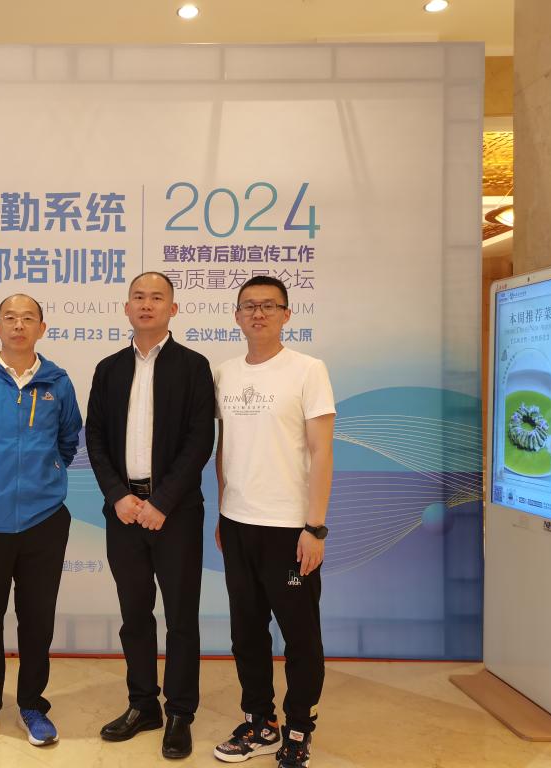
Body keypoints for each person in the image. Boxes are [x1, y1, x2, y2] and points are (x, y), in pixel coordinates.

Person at [86, 271, 215, 760]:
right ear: (126, 308)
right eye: (138, 297)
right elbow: (95, 438)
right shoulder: (109, 369)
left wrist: (162, 501)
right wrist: (118, 495)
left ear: (172, 308)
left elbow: (200, 441)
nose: (146, 304)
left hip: (175, 513)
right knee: (134, 614)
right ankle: (143, 704)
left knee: (181, 617)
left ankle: (180, 711)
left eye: (157, 297)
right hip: (123, 512)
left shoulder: (194, 366)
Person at [0, 293, 83, 749]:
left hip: (45, 520)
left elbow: (68, 441)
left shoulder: (58, 382)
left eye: (28, 319)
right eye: (10, 318)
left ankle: (32, 705)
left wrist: (47, 474)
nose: (19, 325)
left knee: (37, 620)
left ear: (42, 328)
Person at [212, 275, 335, 768]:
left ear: (287, 314)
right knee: (246, 633)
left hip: (290, 528)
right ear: (237, 316)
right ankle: (260, 722)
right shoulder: (225, 373)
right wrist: (223, 510)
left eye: (268, 305)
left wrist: (315, 527)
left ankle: (299, 729)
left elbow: (322, 452)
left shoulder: (308, 370)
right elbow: (225, 449)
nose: (258, 313)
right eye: (249, 306)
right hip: (237, 523)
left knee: (300, 636)